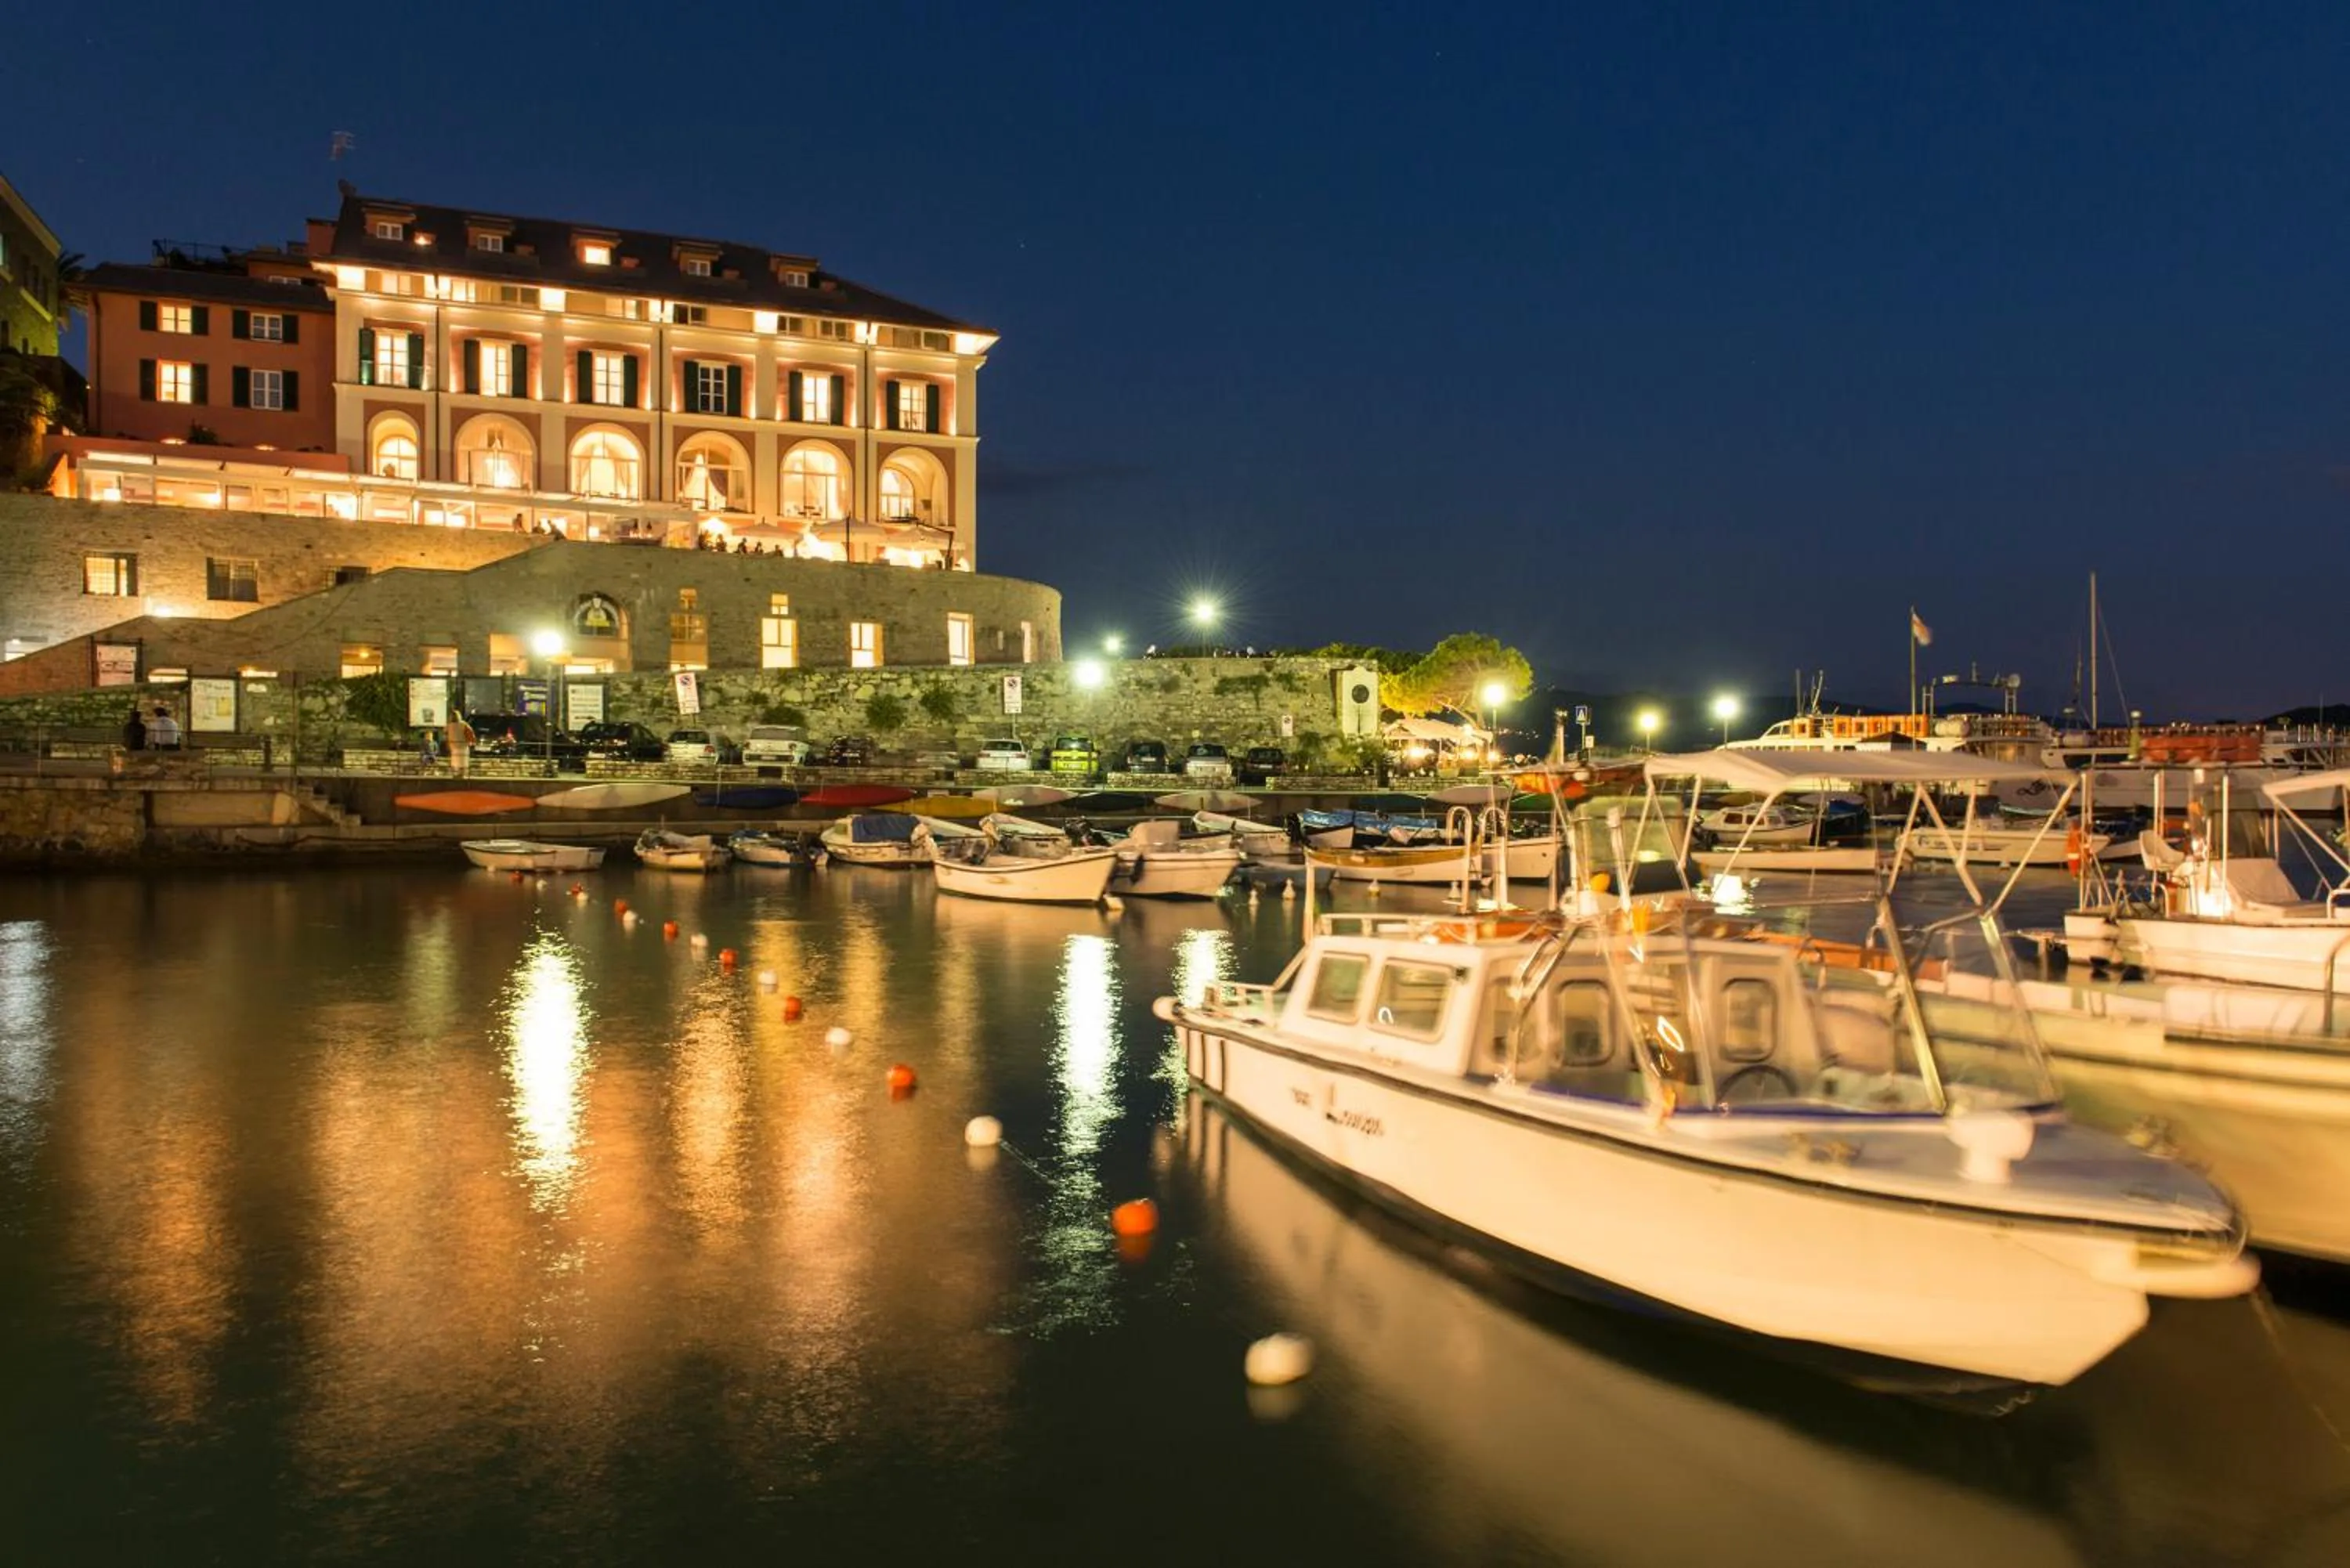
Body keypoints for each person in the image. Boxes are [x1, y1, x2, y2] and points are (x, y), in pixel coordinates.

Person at [446, 709, 475, 777]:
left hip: (454, 748)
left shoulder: (449, 726)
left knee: (455, 765)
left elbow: (446, 736)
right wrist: (471, 743)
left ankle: (456, 777)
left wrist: (448, 745)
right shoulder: (464, 725)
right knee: (463, 765)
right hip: (463, 747)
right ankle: (463, 778)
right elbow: (471, 735)